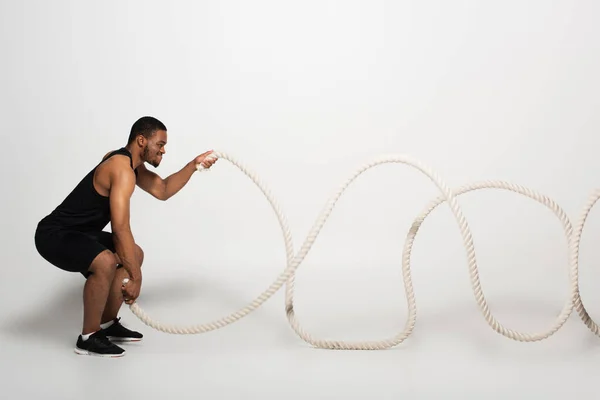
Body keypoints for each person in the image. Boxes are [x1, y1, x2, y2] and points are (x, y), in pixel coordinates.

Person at [34, 116, 217, 357]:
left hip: (81, 234)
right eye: (160, 144)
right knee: (107, 261)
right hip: (53, 235)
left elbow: (162, 190)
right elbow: (120, 230)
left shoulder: (130, 164)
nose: (163, 151)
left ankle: (108, 324)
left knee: (134, 253)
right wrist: (136, 278)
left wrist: (194, 165)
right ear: (142, 140)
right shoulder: (121, 170)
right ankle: (88, 337)